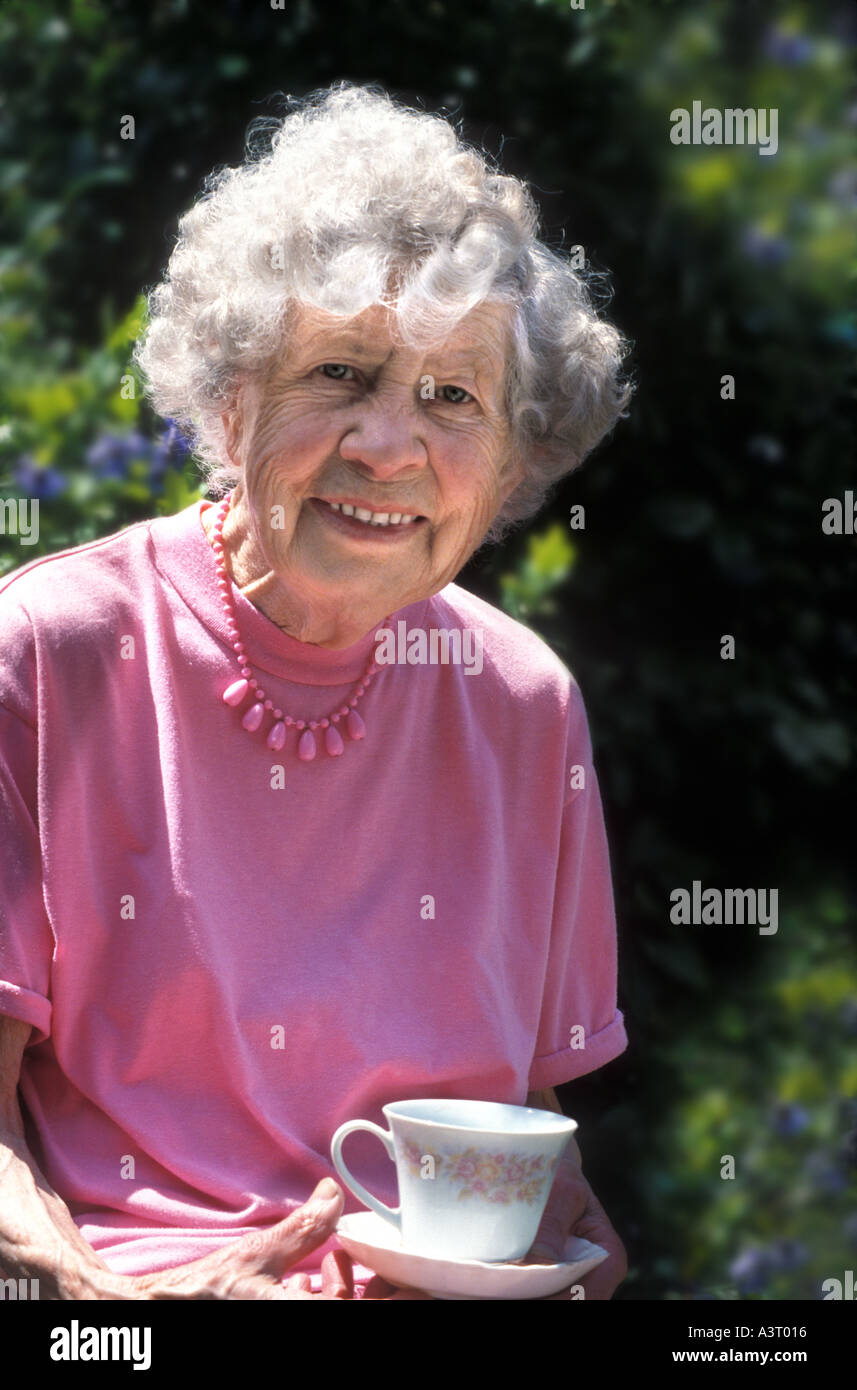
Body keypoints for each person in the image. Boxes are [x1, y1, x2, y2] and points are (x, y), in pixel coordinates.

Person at [0, 82, 632, 1300]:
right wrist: (91, 1304)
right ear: (232, 398)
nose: (388, 447)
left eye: (452, 398)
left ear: (508, 462)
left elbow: (528, 1135)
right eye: (342, 373)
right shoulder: (49, 650)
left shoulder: (523, 702)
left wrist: (584, 1261)